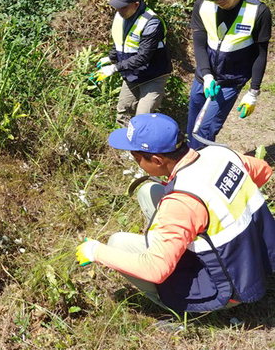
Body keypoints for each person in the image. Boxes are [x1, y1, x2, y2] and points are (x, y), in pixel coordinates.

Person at [75, 113, 275, 313]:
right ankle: (170, 245)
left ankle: (178, 309)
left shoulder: (182, 201)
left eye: (136, 158)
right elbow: (264, 171)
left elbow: (155, 269)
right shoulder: (220, 154)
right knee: (149, 191)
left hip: (229, 288)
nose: (135, 161)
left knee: (117, 243)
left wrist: (94, 251)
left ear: (156, 159)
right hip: (257, 258)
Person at [186, 0, 272, 149]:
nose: (218, 0)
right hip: (203, 77)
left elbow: (260, 54)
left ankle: (200, 166)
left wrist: (253, 92)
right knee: (193, 125)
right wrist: (207, 75)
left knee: (205, 130)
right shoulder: (202, 6)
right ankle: (189, 161)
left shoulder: (258, 12)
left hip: (230, 81)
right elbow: (199, 44)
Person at [94, 0, 172, 127]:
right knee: (123, 112)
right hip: (132, 74)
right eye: (117, 6)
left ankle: (145, 148)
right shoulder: (120, 16)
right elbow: (121, 42)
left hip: (154, 75)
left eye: (123, 7)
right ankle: (129, 146)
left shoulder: (151, 23)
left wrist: (115, 68)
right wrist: (110, 58)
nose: (119, 10)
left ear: (136, 4)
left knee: (142, 119)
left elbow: (143, 57)